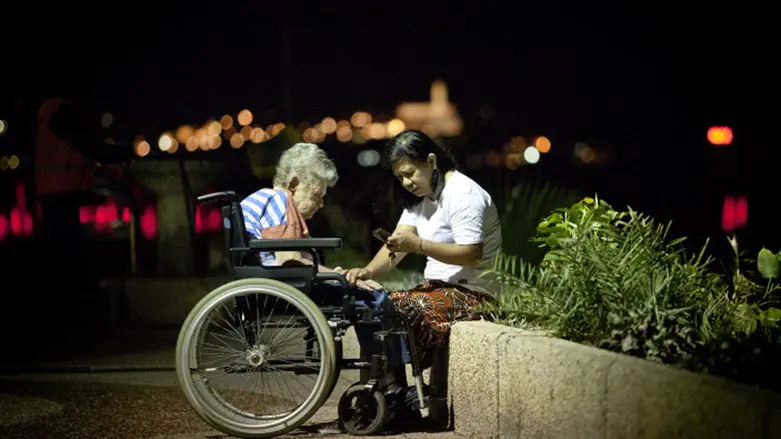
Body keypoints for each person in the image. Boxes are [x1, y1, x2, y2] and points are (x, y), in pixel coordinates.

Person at [342, 130, 502, 372]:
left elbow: (472, 254)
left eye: (410, 173)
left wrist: (417, 245)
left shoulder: (463, 194)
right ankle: (385, 391)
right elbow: (396, 246)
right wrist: (367, 272)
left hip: (475, 295)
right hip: (437, 289)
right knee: (376, 306)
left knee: (400, 309)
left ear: (431, 161)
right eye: (400, 177)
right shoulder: (420, 197)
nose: (406, 182)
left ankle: (395, 394)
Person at [241, 142, 382, 293]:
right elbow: (289, 262)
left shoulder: (266, 199)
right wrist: (338, 276)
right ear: (294, 184)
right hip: (275, 288)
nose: (321, 204)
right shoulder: (280, 202)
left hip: (263, 280)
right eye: (316, 196)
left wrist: (335, 274)